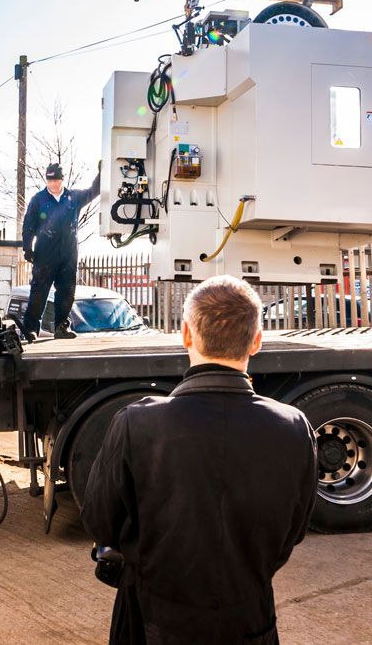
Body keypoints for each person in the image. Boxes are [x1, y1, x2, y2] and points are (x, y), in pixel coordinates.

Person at [81, 276, 317, 645]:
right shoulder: (293, 427)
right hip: (251, 621)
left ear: (186, 335)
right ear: (256, 341)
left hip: (151, 623)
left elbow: (99, 520)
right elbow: (294, 530)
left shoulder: (137, 422)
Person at [20, 161, 101, 340]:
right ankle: (31, 328)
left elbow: (93, 192)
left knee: (66, 291)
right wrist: (27, 247)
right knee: (39, 291)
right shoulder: (38, 200)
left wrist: (101, 173)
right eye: (50, 180)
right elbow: (28, 226)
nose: (53, 184)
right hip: (44, 254)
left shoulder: (73, 197)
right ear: (46, 180)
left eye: (56, 180)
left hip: (68, 254)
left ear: (62, 179)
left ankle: (61, 327)